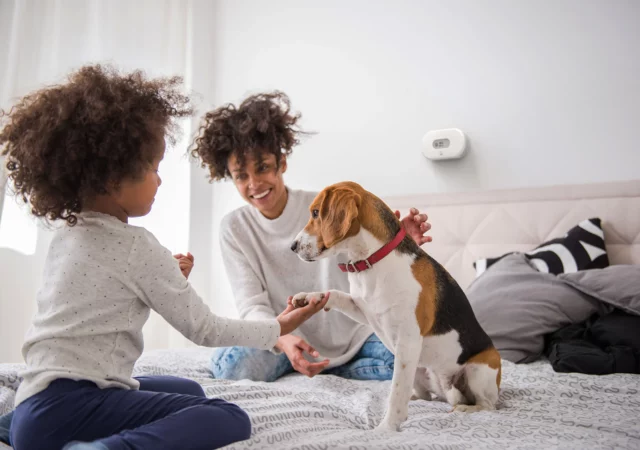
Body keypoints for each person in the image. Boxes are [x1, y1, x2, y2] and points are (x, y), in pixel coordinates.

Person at [0, 66, 327, 450]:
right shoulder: (137, 246)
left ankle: (14, 428)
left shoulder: (68, 235)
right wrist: (279, 327)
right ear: (111, 177)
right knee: (227, 416)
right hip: (73, 406)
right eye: (153, 169)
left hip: (34, 406)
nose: (160, 180)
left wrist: (164, 276)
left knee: (188, 389)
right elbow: (206, 330)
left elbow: (103, 296)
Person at [190, 91, 432, 383]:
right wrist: (282, 339)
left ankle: (330, 367)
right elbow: (252, 305)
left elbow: (366, 263)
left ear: (281, 164)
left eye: (263, 167)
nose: (254, 183)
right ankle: (319, 365)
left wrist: (397, 246)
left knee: (418, 363)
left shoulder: (324, 206)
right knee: (233, 368)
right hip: (282, 336)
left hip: (353, 335)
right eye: (241, 176)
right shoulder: (234, 228)